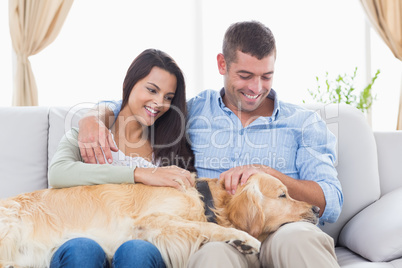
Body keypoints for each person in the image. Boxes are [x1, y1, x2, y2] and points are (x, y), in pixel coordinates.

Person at [78, 21, 343, 268]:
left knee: (298, 239)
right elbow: (140, 105)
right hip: (220, 233)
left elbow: (330, 200)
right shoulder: (194, 112)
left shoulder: (303, 123)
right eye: (245, 75)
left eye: (266, 76)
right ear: (222, 64)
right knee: (213, 254)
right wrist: (93, 117)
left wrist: (268, 173)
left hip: (284, 229)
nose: (256, 87)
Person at [48, 48, 195, 268]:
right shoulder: (89, 135)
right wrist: (139, 174)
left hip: (142, 244)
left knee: (135, 250)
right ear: (128, 84)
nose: (159, 102)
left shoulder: (170, 151)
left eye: (168, 97)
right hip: (83, 237)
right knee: (82, 249)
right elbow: (58, 174)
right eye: (152, 90)